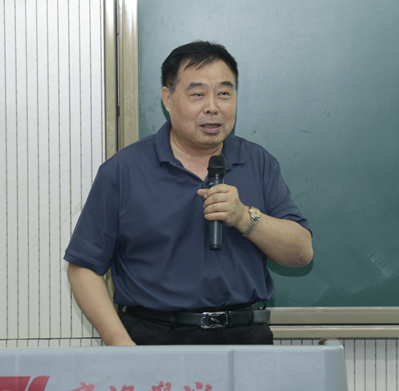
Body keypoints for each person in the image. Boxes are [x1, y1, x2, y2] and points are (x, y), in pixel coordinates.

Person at [63, 41, 313, 346]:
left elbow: (301, 253)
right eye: (197, 95)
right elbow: (83, 267)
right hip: (153, 338)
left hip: (246, 338)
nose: (213, 107)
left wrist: (244, 217)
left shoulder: (258, 162)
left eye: (224, 93)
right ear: (168, 99)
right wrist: (121, 345)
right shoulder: (124, 170)